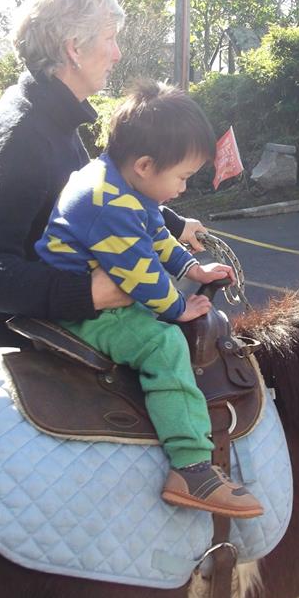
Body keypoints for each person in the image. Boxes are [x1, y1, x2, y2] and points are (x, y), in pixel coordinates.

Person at [0, 0, 206, 348]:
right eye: (110, 39)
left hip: (31, 325)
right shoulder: (23, 138)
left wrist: (173, 225)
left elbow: (94, 194)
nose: (117, 53)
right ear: (74, 48)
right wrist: (88, 293)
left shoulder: (51, 114)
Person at [35, 82, 264, 519]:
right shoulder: (109, 205)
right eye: (180, 177)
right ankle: (191, 466)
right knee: (165, 344)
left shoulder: (124, 186)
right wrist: (179, 309)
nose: (182, 189)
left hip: (104, 288)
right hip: (84, 314)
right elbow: (140, 273)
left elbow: (156, 234)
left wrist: (192, 269)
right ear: (144, 165)